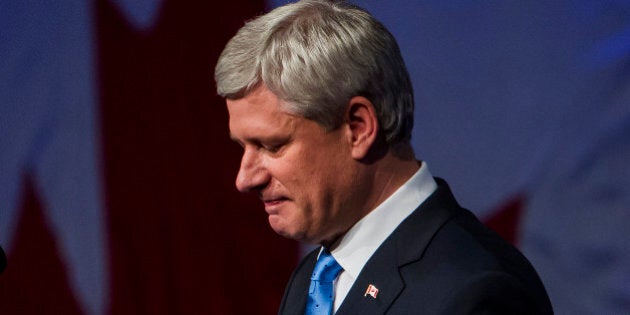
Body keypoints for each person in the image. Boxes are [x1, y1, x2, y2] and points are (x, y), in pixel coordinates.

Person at [214, 0, 553, 314]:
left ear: (358, 127)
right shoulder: (315, 276)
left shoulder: (477, 291)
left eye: (272, 145)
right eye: (242, 147)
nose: (245, 179)